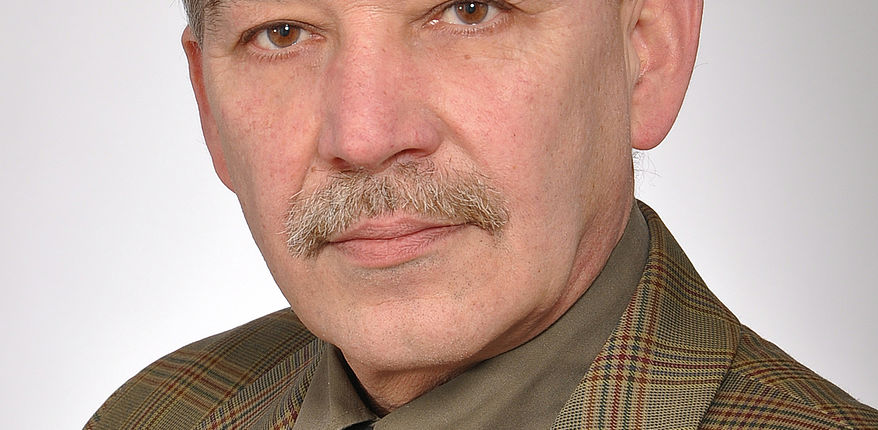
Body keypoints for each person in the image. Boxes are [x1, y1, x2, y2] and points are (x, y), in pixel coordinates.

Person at [86, 0, 878, 428]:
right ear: (209, 108)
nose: (363, 136)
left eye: (469, 11)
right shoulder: (151, 415)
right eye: (282, 32)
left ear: (648, 49)